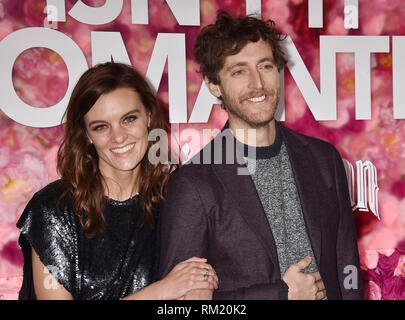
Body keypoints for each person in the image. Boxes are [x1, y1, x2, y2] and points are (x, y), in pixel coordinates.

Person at [159, 11, 364, 300]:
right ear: (213, 84)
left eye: (265, 66)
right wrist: (278, 294)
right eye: (239, 71)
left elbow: (347, 266)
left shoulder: (323, 159)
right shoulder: (193, 184)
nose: (257, 83)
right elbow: (180, 302)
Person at [16, 62, 218, 300]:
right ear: (87, 135)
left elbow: (199, 278)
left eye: (129, 119)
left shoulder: (177, 197)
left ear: (149, 117)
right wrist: (162, 291)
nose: (119, 137)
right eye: (101, 127)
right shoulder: (53, 208)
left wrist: (200, 283)